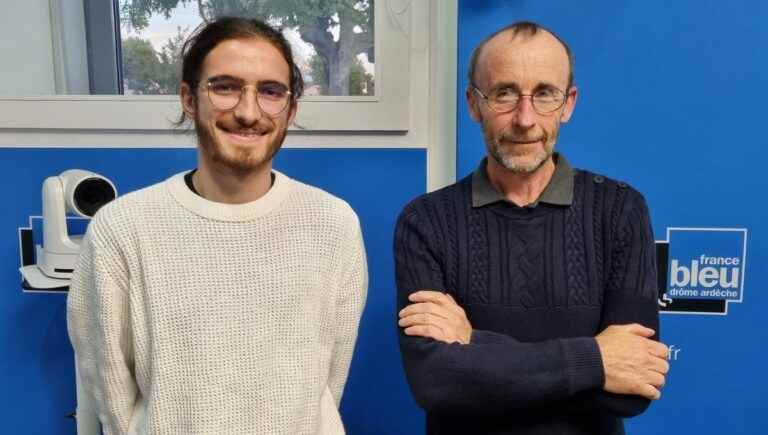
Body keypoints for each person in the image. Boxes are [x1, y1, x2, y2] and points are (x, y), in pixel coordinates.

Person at [67, 17, 367, 435]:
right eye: (225, 87)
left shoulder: (333, 225)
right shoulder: (122, 229)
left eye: (270, 91)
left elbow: (327, 378)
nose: (248, 112)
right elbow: (109, 386)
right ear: (189, 99)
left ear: (290, 108)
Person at [395, 21, 668, 435]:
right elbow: (437, 382)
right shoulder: (426, 221)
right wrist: (596, 361)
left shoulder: (620, 211)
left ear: (568, 103)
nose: (525, 118)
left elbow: (630, 391)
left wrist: (474, 344)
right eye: (504, 93)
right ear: (473, 103)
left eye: (545, 94)